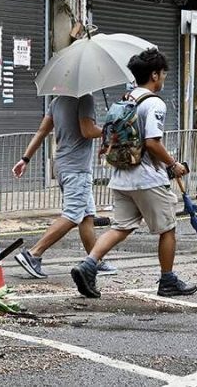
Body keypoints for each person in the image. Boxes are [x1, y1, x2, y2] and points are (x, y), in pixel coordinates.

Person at [70, 48, 196, 298]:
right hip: (148, 178)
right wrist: (173, 165)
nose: (163, 79)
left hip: (121, 177)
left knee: (121, 227)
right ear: (154, 74)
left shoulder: (124, 99)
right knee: (167, 229)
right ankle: (168, 280)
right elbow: (152, 142)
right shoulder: (154, 103)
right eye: (163, 74)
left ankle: (88, 264)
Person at [11, 94, 118, 279]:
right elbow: (87, 130)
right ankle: (33, 254)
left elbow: (41, 132)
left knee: (86, 216)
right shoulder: (85, 99)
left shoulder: (57, 101)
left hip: (62, 166)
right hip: (77, 169)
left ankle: (94, 261)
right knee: (72, 215)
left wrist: (25, 159)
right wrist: (109, 133)